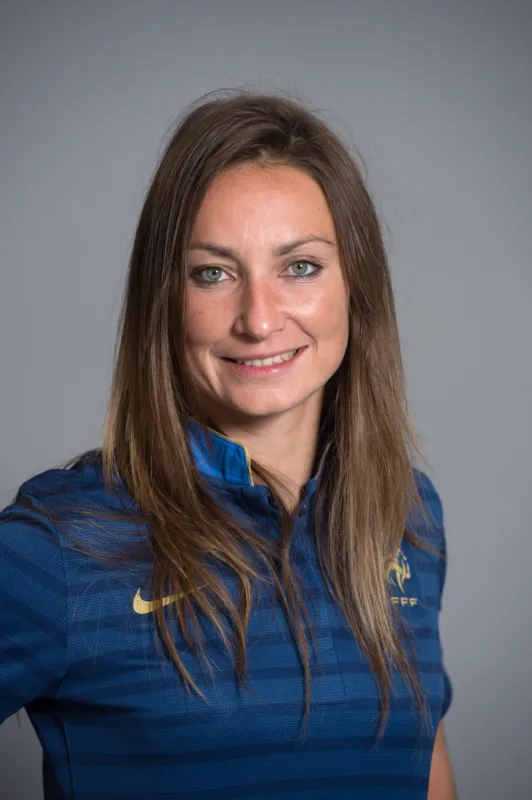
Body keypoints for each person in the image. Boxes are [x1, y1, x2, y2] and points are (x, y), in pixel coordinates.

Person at [0, 91, 456, 799]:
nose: (259, 318)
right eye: (213, 272)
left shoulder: (406, 516)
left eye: (299, 266)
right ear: (164, 298)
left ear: (355, 285)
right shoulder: (59, 544)